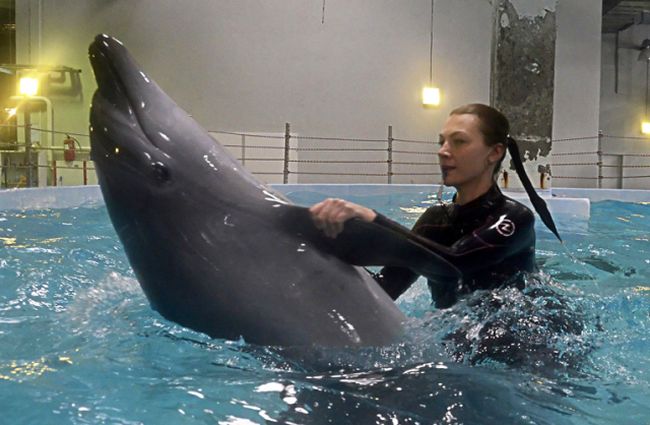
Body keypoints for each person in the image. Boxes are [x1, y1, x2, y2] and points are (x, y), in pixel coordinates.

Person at [309, 103, 560, 308]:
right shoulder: (435, 221)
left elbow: (455, 264)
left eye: (459, 142)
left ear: (494, 153)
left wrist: (372, 221)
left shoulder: (514, 218)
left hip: (522, 341)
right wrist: (322, 264)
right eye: (442, 142)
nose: (443, 151)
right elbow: (385, 289)